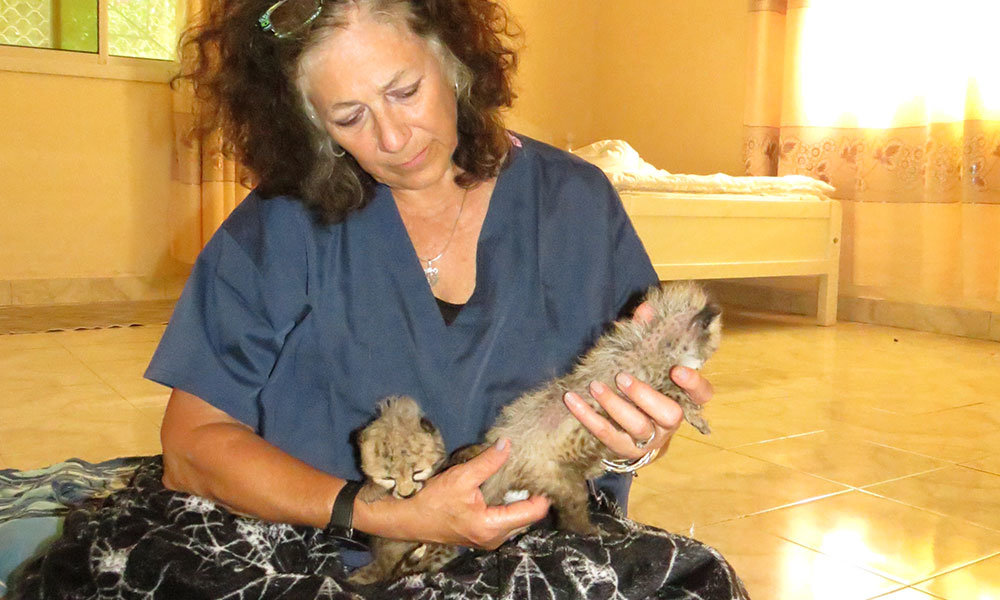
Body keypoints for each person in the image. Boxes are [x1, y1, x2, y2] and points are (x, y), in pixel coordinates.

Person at [10, 0, 747, 598]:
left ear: (452, 59)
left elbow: (631, 412)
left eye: (404, 91)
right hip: (317, 545)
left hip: (531, 550)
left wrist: (643, 437)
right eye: (350, 117)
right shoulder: (278, 225)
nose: (394, 138)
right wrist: (381, 512)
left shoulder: (577, 204)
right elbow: (192, 445)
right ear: (309, 124)